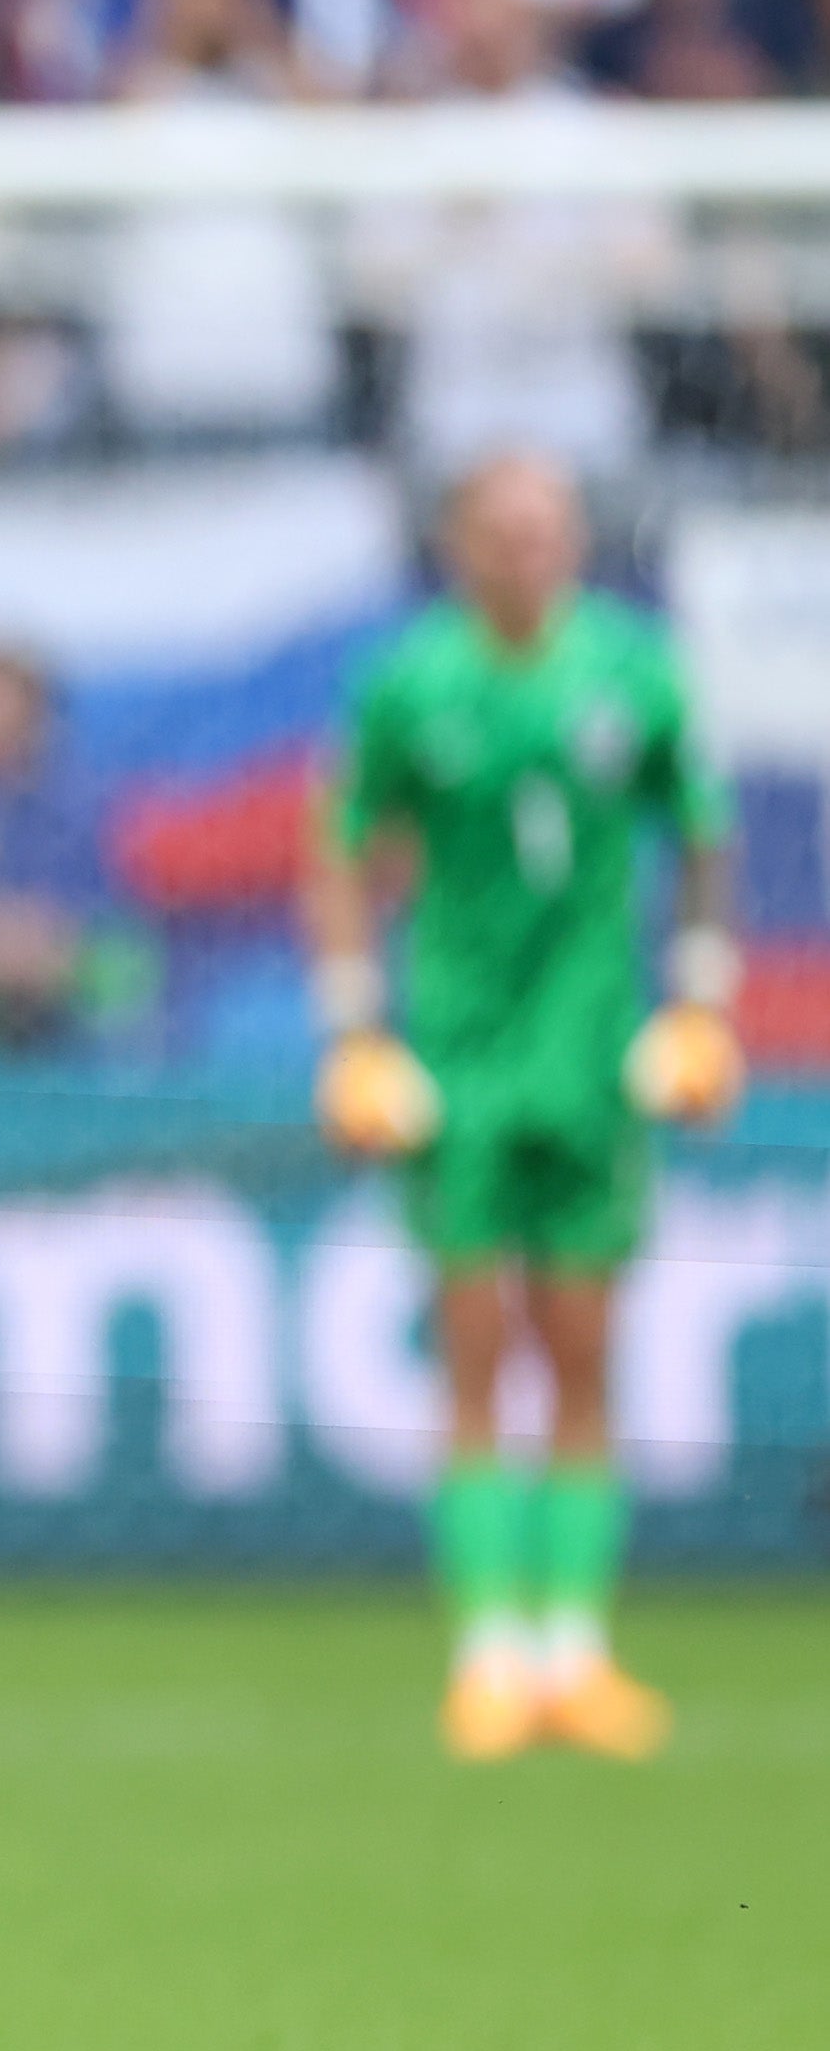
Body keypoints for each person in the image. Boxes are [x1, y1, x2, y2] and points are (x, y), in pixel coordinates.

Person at [303, 450, 740, 1763]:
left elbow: (700, 832)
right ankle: (488, 1650)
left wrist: (699, 1002)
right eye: (500, 529)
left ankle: (575, 1648)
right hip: (457, 1056)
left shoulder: (632, 667)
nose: (525, 549)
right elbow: (337, 849)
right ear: (458, 545)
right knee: (476, 1344)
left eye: (544, 527)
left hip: (592, 1052)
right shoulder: (408, 683)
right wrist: (353, 1030)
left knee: (583, 1343)